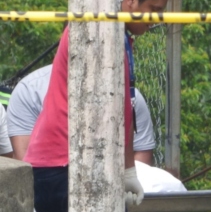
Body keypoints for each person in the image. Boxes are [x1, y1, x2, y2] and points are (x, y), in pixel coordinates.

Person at [24, 0, 172, 212]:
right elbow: (117, 112)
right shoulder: (104, 34)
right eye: (153, 10)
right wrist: (128, 168)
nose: (156, 20)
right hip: (66, 164)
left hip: (50, 165)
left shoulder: (109, 33)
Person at [6, 64, 158, 212]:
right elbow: (23, 159)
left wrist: (128, 173)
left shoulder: (121, 74)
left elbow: (139, 150)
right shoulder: (32, 88)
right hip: (57, 173)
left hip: (79, 173)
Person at [8, 64, 156, 164]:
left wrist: (128, 177)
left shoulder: (128, 94)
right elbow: (25, 162)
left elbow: (141, 159)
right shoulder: (30, 90)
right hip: (51, 180)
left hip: (113, 178)